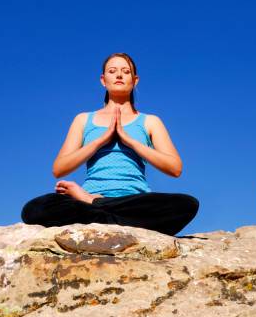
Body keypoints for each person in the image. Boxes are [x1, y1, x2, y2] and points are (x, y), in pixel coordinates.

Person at [21, 52, 199, 236]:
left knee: (187, 204)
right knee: (34, 208)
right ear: (103, 80)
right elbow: (59, 168)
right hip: (85, 198)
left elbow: (175, 168)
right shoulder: (83, 120)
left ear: (135, 80)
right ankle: (109, 213)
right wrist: (100, 141)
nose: (119, 75)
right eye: (112, 71)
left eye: (126, 71)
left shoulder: (150, 121)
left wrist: (130, 141)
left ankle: (99, 206)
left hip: (134, 201)